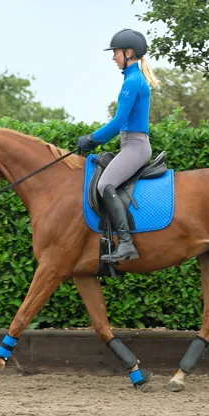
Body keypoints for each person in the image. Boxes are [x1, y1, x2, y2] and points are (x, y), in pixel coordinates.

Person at [77, 28, 161, 263]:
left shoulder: (133, 81)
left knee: (105, 184)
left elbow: (119, 121)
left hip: (136, 147)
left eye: (115, 53)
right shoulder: (132, 79)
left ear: (129, 53)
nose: (113, 58)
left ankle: (126, 243)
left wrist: (92, 138)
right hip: (130, 145)